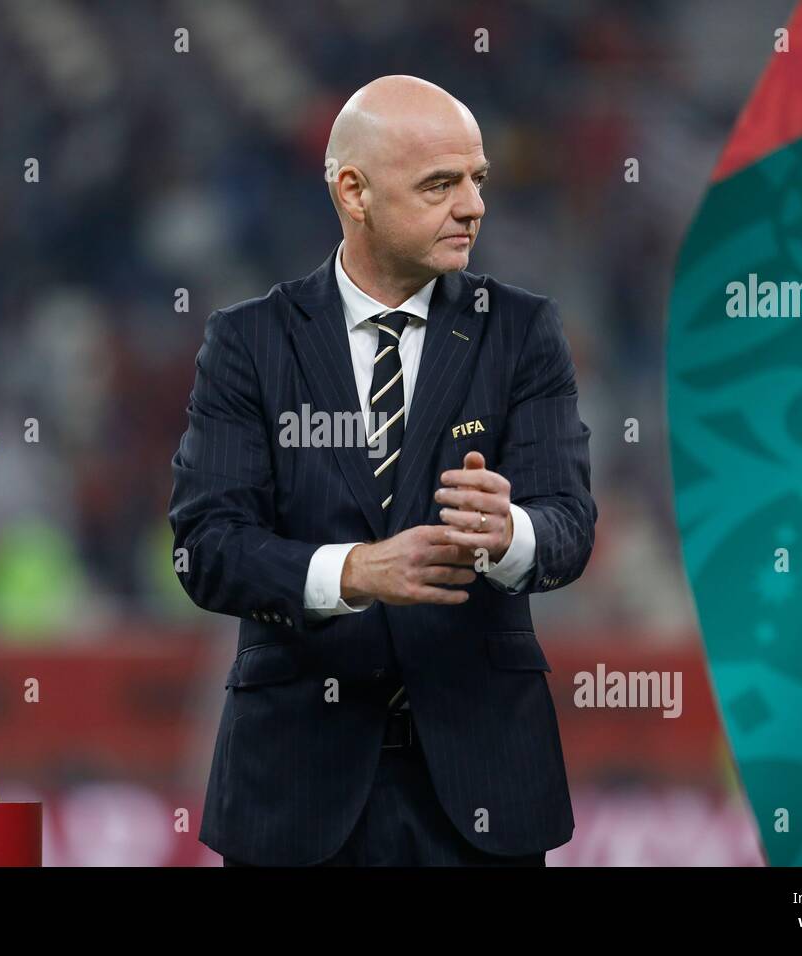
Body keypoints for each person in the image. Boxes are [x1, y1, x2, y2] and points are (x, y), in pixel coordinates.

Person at [168, 74, 597, 866]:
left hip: (485, 792)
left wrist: (510, 534)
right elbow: (206, 548)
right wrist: (356, 572)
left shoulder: (522, 330)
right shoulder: (248, 343)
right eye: (440, 184)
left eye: (477, 179)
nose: (472, 206)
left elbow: (569, 526)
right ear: (354, 192)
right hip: (295, 793)